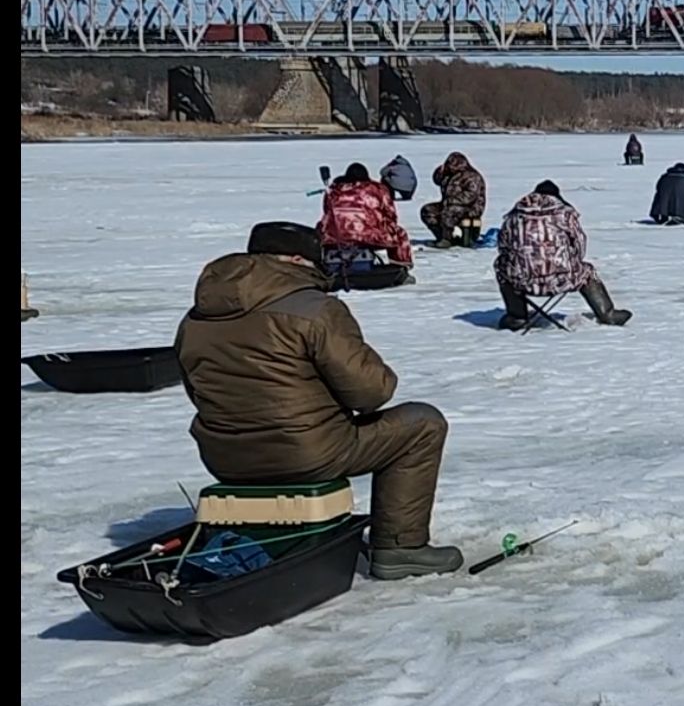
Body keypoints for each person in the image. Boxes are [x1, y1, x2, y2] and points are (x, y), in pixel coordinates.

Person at [175, 222, 461, 579]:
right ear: (298, 260)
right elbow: (372, 393)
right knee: (422, 423)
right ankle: (400, 547)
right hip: (308, 453)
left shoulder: (196, 317)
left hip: (224, 457)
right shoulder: (315, 309)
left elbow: (196, 389)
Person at [494, 181, 632, 328]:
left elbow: (503, 247)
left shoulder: (513, 217)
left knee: (501, 267)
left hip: (522, 280)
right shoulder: (565, 214)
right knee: (588, 272)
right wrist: (571, 261)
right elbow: (579, 243)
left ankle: (517, 317)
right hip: (562, 278)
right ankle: (607, 313)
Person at [318, 163, 415, 269]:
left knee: (319, 230)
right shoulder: (378, 189)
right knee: (399, 233)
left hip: (334, 235)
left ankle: (322, 263)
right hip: (369, 236)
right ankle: (401, 265)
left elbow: (327, 211)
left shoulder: (333, 190)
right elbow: (390, 214)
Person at [421, 152, 488, 247]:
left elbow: (470, 196)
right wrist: (440, 172)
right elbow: (437, 181)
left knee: (450, 211)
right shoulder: (450, 175)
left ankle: (446, 239)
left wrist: (451, 201)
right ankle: (443, 236)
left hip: (471, 208)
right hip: (449, 204)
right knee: (428, 210)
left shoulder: (472, 176)